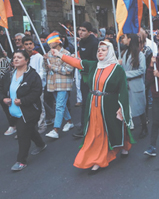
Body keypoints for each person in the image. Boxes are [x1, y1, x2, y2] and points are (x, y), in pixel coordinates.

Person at [51, 41, 133, 171]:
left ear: (110, 51)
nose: (100, 52)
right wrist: (60, 55)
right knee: (95, 131)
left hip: (109, 104)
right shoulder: (94, 65)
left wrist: (121, 107)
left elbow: (123, 90)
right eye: (99, 49)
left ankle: (124, 145)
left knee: (115, 127)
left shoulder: (118, 70)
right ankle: (97, 159)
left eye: (104, 50)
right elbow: (77, 63)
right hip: (92, 105)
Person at [0, 50, 47, 171]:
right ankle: (41, 144)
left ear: (26, 60)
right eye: (14, 57)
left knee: (23, 134)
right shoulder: (9, 74)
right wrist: (3, 98)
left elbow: (37, 92)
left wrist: (23, 101)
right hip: (14, 111)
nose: (15, 59)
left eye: (19, 57)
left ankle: (21, 161)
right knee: (29, 130)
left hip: (29, 111)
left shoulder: (32, 75)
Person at [44, 34, 75, 139]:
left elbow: (69, 69)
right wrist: (45, 61)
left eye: (50, 41)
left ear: (58, 42)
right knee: (61, 105)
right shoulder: (48, 53)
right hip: (52, 84)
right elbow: (46, 68)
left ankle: (55, 129)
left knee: (59, 106)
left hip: (63, 84)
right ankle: (69, 121)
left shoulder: (66, 54)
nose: (48, 43)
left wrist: (52, 66)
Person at [73, 22, 99, 138]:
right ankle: (84, 126)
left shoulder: (94, 43)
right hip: (84, 74)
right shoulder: (81, 41)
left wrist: (82, 63)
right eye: (79, 30)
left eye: (83, 30)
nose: (80, 32)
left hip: (93, 76)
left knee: (93, 102)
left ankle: (93, 126)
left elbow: (95, 61)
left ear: (89, 32)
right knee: (85, 102)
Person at [120, 34, 147, 138]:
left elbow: (142, 70)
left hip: (136, 85)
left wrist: (125, 74)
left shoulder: (140, 55)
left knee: (139, 107)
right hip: (126, 85)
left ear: (130, 39)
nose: (123, 40)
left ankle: (144, 126)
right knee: (126, 106)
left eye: (125, 37)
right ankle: (128, 127)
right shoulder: (124, 53)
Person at [22, 36, 47, 133]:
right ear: (23, 45)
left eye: (30, 44)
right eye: (26, 44)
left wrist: (35, 80)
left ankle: (41, 124)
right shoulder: (22, 56)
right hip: (24, 85)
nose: (29, 46)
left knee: (40, 105)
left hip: (36, 85)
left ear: (33, 44)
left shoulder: (38, 56)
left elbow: (42, 70)